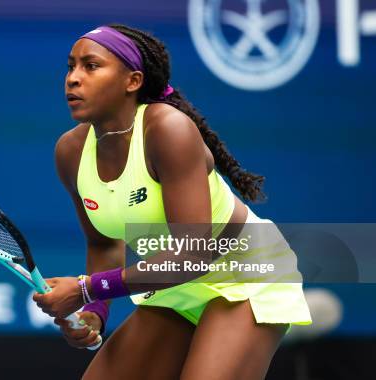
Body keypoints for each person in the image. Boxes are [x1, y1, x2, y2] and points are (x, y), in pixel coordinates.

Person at [33, 24, 312, 379]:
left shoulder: (167, 129)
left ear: (132, 81)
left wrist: (88, 289)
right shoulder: (70, 152)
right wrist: (96, 311)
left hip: (245, 276)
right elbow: (103, 242)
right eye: (70, 66)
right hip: (172, 284)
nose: (73, 78)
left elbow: (193, 255)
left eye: (91, 66)